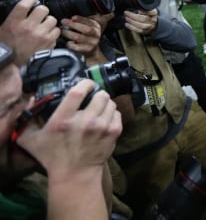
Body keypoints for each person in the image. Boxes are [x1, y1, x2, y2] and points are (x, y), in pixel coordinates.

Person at [13, 0, 206, 216]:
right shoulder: (51, 58)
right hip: (143, 155)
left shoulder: (122, 5)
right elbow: (123, 116)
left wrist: (156, 25)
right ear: (55, 3)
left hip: (187, 117)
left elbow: (188, 41)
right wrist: (93, 53)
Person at [0, 46, 123, 220]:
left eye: (27, 92)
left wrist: (86, 159)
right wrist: (75, 175)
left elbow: (105, 208)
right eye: (10, 105)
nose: (33, 109)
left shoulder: (26, 177)